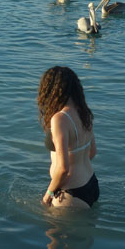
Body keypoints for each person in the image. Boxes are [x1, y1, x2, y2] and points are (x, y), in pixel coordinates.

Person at [37, 66, 99, 209]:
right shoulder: (84, 112)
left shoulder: (60, 119)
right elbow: (92, 152)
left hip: (70, 195)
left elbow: (63, 168)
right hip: (91, 184)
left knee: (52, 231)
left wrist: (48, 196)